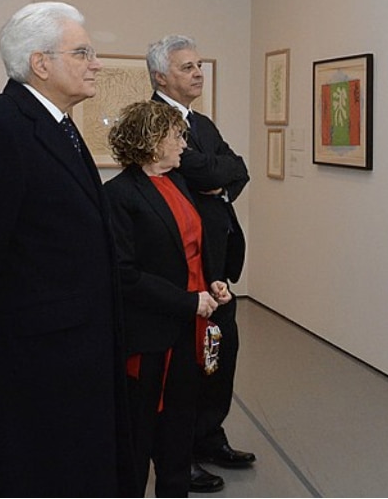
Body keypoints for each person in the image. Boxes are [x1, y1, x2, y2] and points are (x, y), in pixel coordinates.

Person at [0, 2, 136, 496]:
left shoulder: (58, 126)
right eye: (83, 51)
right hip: (31, 361)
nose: (97, 63)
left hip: (75, 351)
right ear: (40, 64)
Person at [105, 101, 233, 497]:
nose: (184, 144)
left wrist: (214, 282)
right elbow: (125, 275)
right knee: (139, 432)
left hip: (191, 324)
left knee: (179, 425)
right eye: (177, 136)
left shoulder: (177, 182)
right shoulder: (119, 195)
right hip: (151, 333)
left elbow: (194, 244)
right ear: (151, 141)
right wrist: (187, 301)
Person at [147, 34, 254, 493]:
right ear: (160, 76)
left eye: (199, 65)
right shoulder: (155, 123)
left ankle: (210, 436)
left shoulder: (202, 123)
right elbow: (211, 172)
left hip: (218, 263)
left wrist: (218, 179)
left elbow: (237, 169)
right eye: (186, 67)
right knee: (186, 365)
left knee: (220, 354)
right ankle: (180, 454)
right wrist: (214, 174)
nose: (197, 73)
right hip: (183, 265)